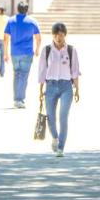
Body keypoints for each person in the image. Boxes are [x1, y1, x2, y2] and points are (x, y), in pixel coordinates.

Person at [38, 22, 80, 157]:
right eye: (56, 35)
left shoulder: (71, 50)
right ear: (52, 35)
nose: (58, 38)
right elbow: (42, 71)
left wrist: (77, 89)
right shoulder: (47, 50)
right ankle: (55, 137)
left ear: (65, 35)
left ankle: (61, 147)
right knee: (50, 116)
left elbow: (75, 71)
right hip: (50, 86)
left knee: (63, 117)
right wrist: (40, 89)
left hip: (66, 86)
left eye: (61, 35)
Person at [4, 2, 41, 108]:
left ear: (17, 9)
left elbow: (6, 38)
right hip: (27, 52)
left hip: (15, 53)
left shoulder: (11, 21)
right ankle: (20, 100)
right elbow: (38, 37)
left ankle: (16, 99)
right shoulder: (32, 21)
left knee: (16, 75)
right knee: (24, 76)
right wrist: (37, 49)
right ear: (27, 9)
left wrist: (5, 53)